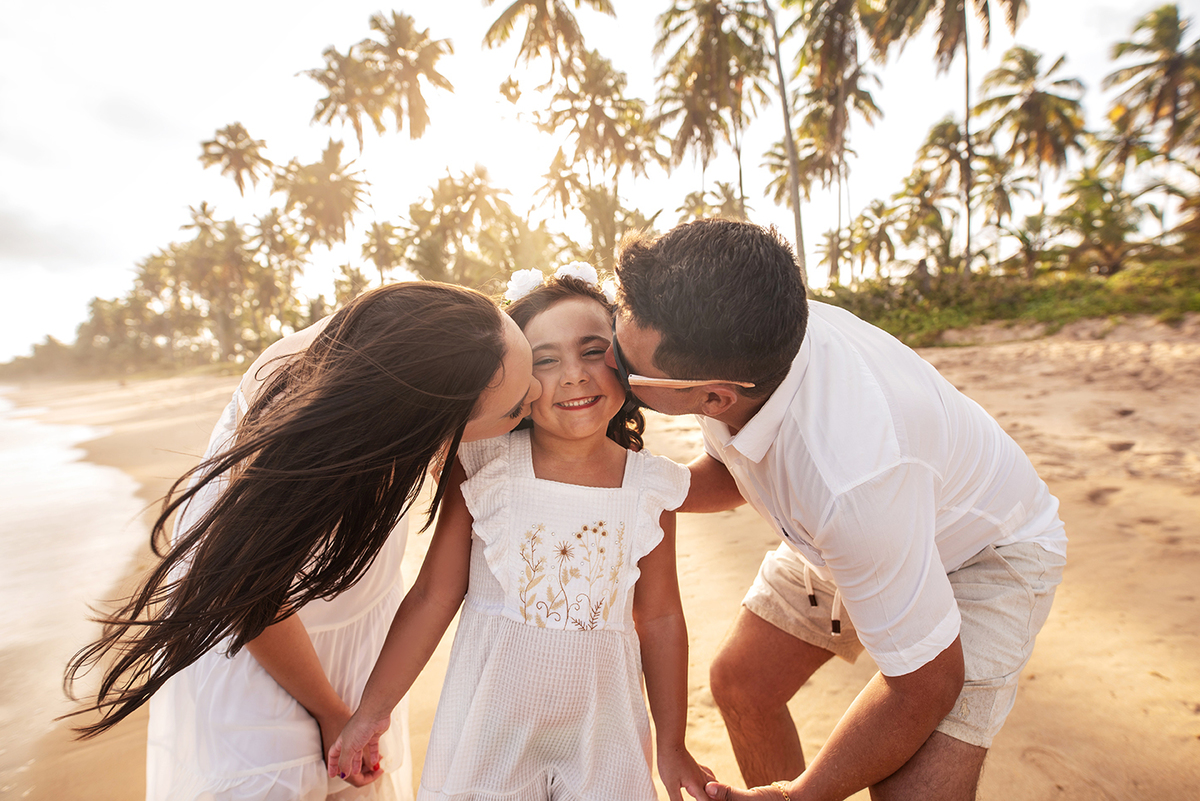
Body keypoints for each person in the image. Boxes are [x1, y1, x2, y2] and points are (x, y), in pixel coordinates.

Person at [607, 220, 1067, 801]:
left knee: (909, 789)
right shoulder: (748, 331)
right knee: (744, 685)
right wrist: (628, 483)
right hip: (849, 531)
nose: (609, 362)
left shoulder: (851, 478)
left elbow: (926, 684)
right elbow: (734, 466)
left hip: (984, 553)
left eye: (626, 368)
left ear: (715, 395)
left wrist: (801, 795)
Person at [63, 281, 542, 801]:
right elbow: (245, 587)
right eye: (517, 408)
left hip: (357, 638)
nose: (535, 395)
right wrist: (330, 711)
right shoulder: (301, 411)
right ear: (426, 424)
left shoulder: (429, 351)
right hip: (258, 639)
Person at [328, 268, 712, 801]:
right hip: (489, 726)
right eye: (546, 360)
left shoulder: (652, 486)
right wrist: (372, 712)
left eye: (593, 351)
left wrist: (672, 745)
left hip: (604, 734)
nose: (573, 376)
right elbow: (434, 595)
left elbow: (662, 616)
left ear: (622, 361)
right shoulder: (482, 464)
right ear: (518, 379)